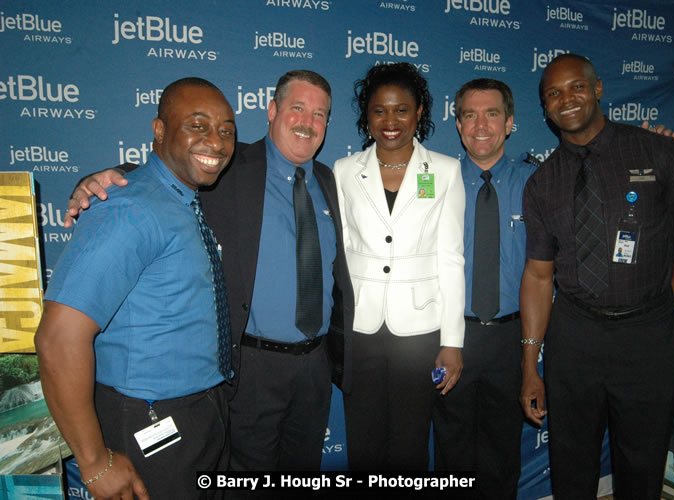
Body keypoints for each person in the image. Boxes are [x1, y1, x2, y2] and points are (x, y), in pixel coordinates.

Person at [64, 70, 355, 479]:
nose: (308, 122)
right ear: (271, 111)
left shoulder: (330, 181)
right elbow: (168, 171)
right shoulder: (230, 164)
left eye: (320, 114)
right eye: (297, 108)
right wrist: (99, 180)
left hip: (314, 368)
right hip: (250, 368)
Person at [519, 53, 674, 499]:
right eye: (553, 93)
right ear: (545, 108)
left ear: (597, 90)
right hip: (575, 337)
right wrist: (529, 364)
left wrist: (659, 293)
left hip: (648, 338)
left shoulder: (658, 151)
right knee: (570, 462)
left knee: (642, 462)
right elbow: (539, 278)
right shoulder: (542, 183)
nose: (566, 99)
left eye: (576, 86)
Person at [35, 77, 236, 500]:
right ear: (159, 130)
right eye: (197, 125)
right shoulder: (127, 209)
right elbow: (58, 338)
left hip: (202, 411)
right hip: (150, 423)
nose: (215, 142)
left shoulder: (182, 198)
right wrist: (93, 463)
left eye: (225, 130)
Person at [333, 62, 465, 471]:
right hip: (361, 329)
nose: (390, 121)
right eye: (379, 110)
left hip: (421, 330)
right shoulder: (343, 171)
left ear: (420, 112)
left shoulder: (444, 171)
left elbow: (451, 257)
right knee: (364, 443)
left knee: (409, 445)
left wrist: (453, 340)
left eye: (401, 110)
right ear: (366, 115)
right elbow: (342, 251)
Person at [430, 78, 536, 499]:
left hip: (510, 339)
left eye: (491, 114)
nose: (480, 125)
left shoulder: (536, 185)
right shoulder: (435, 182)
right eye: (469, 115)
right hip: (450, 336)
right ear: (457, 125)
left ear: (509, 122)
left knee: (502, 451)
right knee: (451, 448)